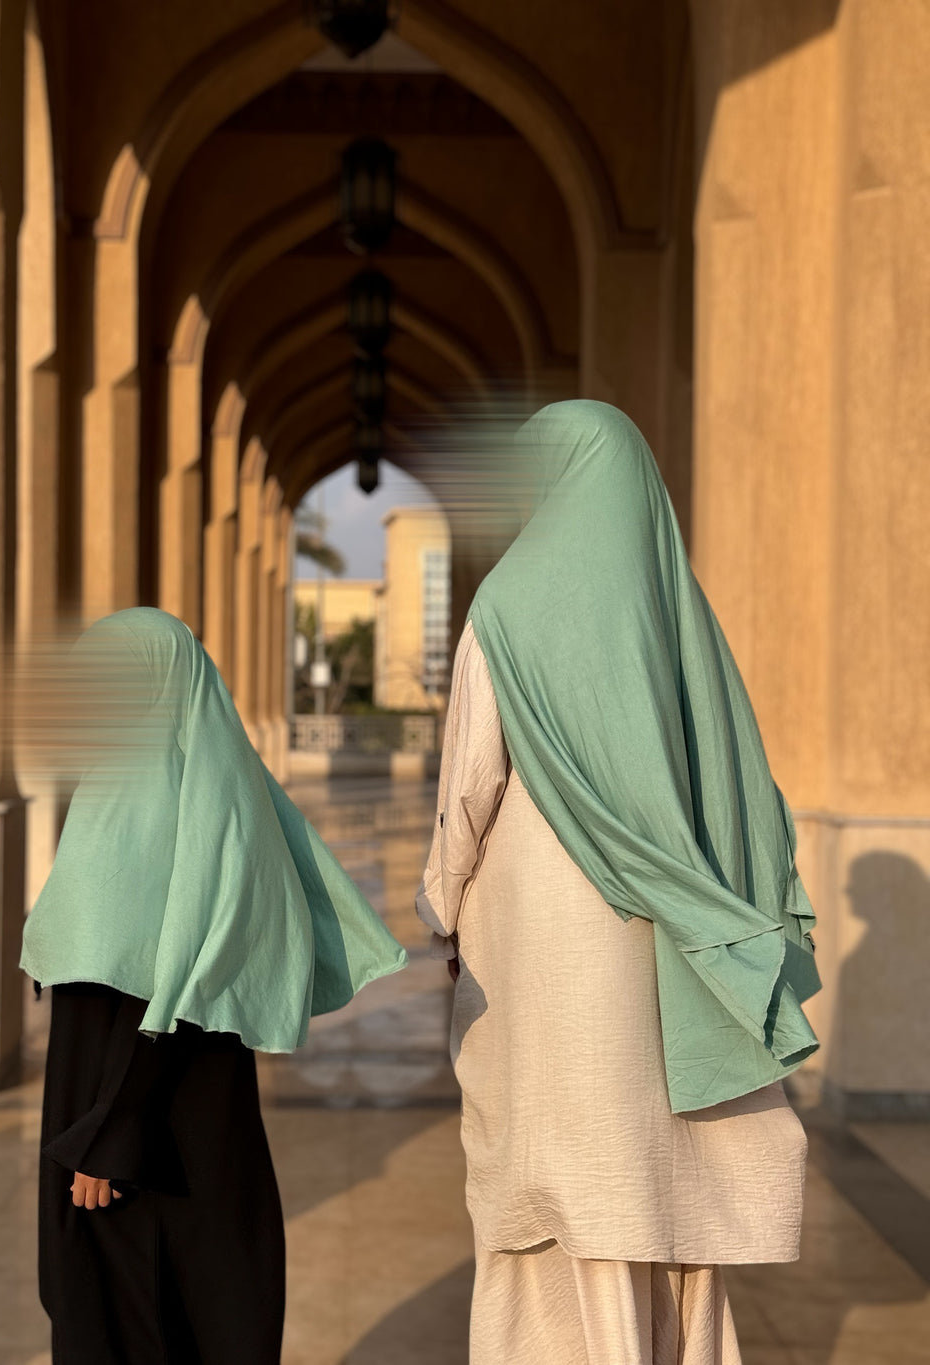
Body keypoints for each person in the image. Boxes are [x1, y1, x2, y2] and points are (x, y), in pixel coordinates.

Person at [417, 401, 821, 1365]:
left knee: (559, 1177)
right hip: (660, 941)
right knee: (654, 1176)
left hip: (540, 935)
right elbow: (737, 786)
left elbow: (470, 783)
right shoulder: (681, 619)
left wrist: (443, 907)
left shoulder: (508, 605)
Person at [21, 607, 407, 1365]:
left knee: (153, 1314)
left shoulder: (206, 801)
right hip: (102, 1107)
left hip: (145, 1126)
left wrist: (113, 1130)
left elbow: (180, 982)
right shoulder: (118, 786)